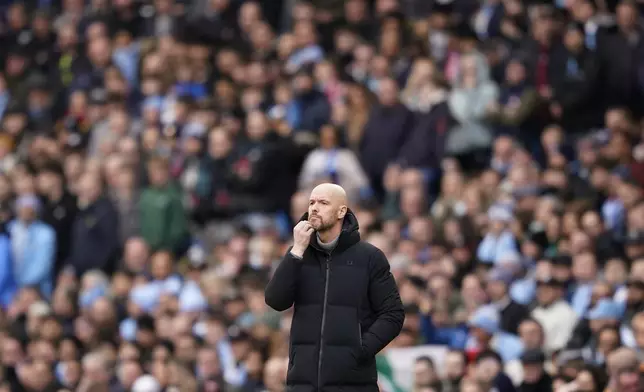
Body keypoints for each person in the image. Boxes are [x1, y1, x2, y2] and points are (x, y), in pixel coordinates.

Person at [265, 183, 404, 391]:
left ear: (341, 211)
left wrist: (360, 349)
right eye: (311, 202)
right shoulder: (299, 254)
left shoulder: (369, 257)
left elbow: (393, 314)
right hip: (303, 383)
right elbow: (275, 301)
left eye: (323, 203)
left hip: (353, 384)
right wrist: (295, 252)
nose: (314, 208)